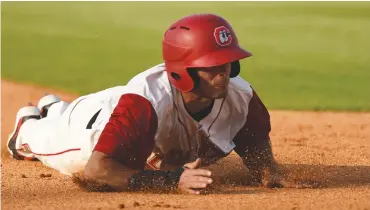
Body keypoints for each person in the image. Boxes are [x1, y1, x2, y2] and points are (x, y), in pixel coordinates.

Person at [7, 14, 312, 194]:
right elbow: (96, 170)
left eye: (229, 63)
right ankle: (30, 123)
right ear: (184, 70)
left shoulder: (241, 99)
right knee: (37, 141)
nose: (224, 73)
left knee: (64, 110)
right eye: (212, 65)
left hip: (127, 106)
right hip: (90, 127)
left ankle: (53, 106)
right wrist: (170, 181)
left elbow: (260, 156)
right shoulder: (145, 101)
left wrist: (270, 172)